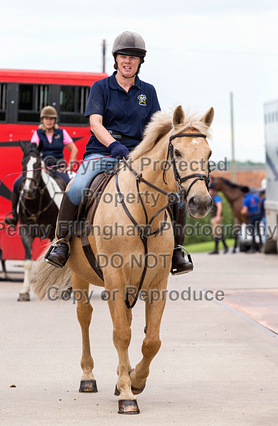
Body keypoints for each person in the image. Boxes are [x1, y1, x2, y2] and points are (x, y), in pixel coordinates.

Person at [45, 30, 193, 275]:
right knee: (78, 185)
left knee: (176, 194)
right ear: (116, 59)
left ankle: (176, 249)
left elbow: (154, 128)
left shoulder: (149, 91)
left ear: (140, 62)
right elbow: (95, 123)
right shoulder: (101, 87)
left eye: (133, 57)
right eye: (124, 56)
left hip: (138, 157)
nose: (128, 61)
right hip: (102, 153)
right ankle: (61, 243)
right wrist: (115, 146)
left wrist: (147, 152)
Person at [4, 106, 78, 226]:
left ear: (55, 120)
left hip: (58, 168)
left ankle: (74, 219)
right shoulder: (37, 134)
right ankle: (14, 216)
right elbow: (33, 151)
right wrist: (41, 163)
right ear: (42, 120)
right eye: (46, 119)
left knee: (71, 185)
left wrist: (70, 165)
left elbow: (74, 149)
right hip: (41, 169)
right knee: (17, 183)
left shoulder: (62, 133)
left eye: (51, 119)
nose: (49, 121)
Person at [208, 183, 228, 254]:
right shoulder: (212, 197)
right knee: (216, 233)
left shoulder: (216, 197)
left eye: (209, 189)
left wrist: (218, 216)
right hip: (213, 216)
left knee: (217, 232)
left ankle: (222, 248)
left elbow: (219, 207)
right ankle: (220, 248)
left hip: (216, 217)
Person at [241, 186, 262, 253]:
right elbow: (260, 203)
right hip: (258, 215)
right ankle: (261, 247)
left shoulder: (245, 199)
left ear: (243, 192)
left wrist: (241, 212)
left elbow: (244, 211)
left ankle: (253, 248)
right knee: (258, 231)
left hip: (252, 216)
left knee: (252, 232)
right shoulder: (255, 196)